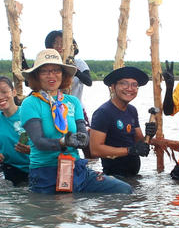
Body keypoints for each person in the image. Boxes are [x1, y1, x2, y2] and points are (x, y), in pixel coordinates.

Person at [20, 49, 133, 195]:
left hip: (75, 167)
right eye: (44, 71)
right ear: (36, 76)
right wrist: (64, 141)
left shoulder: (73, 101)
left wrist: (84, 138)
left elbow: (83, 136)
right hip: (45, 171)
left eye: (56, 70)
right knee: (59, 207)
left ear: (63, 75)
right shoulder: (30, 103)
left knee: (123, 190)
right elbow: (38, 142)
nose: (51, 75)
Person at [89, 66, 152, 177]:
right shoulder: (103, 112)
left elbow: (139, 143)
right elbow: (95, 150)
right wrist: (129, 151)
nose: (130, 88)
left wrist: (150, 134)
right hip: (113, 176)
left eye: (134, 85)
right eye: (124, 83)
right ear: (113, 87)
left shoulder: (132, 110)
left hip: (133, 175)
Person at [44, 30, 92, 105]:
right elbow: (29, 82)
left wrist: (75, 71)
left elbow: (89, 82)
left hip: (74, 106)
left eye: (62, 43)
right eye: (55, 43)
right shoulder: (46, 63)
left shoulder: (79, 63)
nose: (59, 46)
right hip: (52, 106)